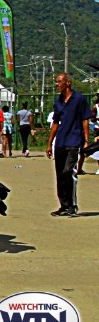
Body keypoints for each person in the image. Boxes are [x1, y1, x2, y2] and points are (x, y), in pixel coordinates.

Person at [46, 73, 90, 217]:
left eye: (59, 82)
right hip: (61, 142)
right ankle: (63, 205)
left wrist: (86, 140)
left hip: (74, 140)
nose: (57, 84)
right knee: (60, 174)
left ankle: (72, 204)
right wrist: (49, 143)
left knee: (67, 171)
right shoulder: (58, 101)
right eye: (56, 82)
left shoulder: (79, 99)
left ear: (68, 83)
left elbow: (85, 120)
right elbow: (55, 123)